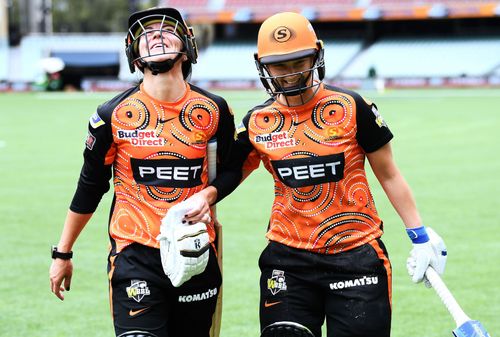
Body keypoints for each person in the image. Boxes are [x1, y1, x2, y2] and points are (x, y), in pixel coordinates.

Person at [222, 12, 447, 337]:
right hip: (287, 259)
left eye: (300, 59)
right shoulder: (257, 121)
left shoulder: (353, 107)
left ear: (317, 54)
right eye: (280, 65)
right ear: (263, 65)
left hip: (356, 255)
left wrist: (420, 236)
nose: (291, 73)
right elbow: (224, 176)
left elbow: (389, 175)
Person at [49, 7, 236, 337]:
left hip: (195, 251)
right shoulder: (112, 115)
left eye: (167, 31)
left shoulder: (215, 109)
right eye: (147, 35)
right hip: (134, 254)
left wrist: (210, 193)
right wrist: (62, 253)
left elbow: (231, 171)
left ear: (188, 48)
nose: (156, 36)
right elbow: (90, 186)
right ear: (135, 58)